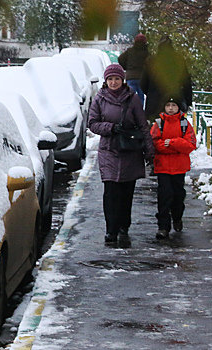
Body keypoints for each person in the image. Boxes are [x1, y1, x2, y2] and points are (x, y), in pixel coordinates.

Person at [88, 64, 155, 247]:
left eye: (117, 79)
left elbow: (143, 126)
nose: (114, 82)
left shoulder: (132, 99)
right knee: (111, 191)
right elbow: (92, 123)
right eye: (110, 79)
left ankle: (124, 225)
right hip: (109, 149)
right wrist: (110, 128)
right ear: (106, 81)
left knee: (126, 192)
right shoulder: (99, 99)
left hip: (130, 150)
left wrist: (149, 152)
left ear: (122, 80)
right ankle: (111, 229)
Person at [150, 95, 197, 240]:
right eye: (168, 105)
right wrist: (174, 146)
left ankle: (177, 217)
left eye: (173, 105)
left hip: (179, 167)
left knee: (178, 196)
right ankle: (163, 226)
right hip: (163, 167)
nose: (170, 108)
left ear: (179, 107)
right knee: (164, 196)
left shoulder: (184, 124)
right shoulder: (158, 124)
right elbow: (154, 144)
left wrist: (171, 142)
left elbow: (190, 145)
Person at [140, 35, 193, 123]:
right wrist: (187, 101)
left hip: (154, 103)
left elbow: (143, 83)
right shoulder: (179, 60)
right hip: (175, 101)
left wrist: (151, 92)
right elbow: (186, 82)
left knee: (155, 131)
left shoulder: (151, 61)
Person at [118, 33, 150, 106]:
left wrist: (126, 67)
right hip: (142, 78)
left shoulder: (130, 51)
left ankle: (129, 112)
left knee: (129, 96)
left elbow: (120, 58)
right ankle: (140, 111)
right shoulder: (146, 53)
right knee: (140, 96)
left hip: (130, 77)